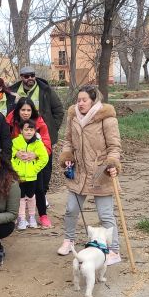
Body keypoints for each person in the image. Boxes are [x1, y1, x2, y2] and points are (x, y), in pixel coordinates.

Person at [57, 84, 122, 266]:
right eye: (78, 100)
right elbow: (68, 140)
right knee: (71, 209)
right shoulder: (73, 117)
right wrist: (67, 156)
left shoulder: (107, 118)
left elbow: (115, 147)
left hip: (100, 171)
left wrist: (112, 163)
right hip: (79, 171)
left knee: (105, 214)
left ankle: (114, 250)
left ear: (93, 100)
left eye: (84, 100)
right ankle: (69, 240)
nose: (80, 103)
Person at [10, 66, 64, 207]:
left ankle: (42, 195)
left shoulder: (45, 90)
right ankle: (23, 197)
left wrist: (52, 128)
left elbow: (58, 110)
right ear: (21, 77)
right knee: (20, 167)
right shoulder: (12, 91)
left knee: (44, 166)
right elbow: (10, 116)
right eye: (26, 76)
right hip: (19, 137)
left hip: (42, 133)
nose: (30, 78)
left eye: (32, 75)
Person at [6, 98, 53, 228]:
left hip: (34, 163)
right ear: (18, 110)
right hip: (17, 164)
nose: (26, 112)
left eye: (28, 110)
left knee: (38, 188)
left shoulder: (39, 123)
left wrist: (36, 154)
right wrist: (15, 154)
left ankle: (43, 215)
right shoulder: (10, 121)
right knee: (17, 191)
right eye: (23, 110)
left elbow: (46, 142)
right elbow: (6, 141)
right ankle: (17, 216)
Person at [11, 119, 49, 230]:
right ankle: (22, 219)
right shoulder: (16, 142)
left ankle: (32, 217)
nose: (28, 132)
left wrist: (34, 168)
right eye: (26, 129)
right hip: (19, 176)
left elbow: (44, 158)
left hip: (32, 176)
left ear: (35, 131)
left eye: (31, 129)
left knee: (31, 196)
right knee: (21, 197)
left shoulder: (38, 143)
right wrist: (16, 169)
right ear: (21, 131)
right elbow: (11, 156)